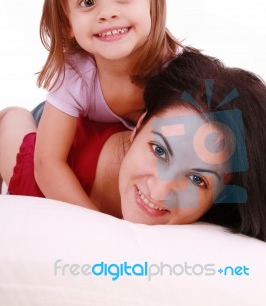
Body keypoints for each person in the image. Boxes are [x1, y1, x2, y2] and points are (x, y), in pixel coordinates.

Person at [1, 50, 266, 241]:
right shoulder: (41, 173)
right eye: (159, 150)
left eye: (197, 179)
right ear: (138, 127)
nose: (160, 190)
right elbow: (10, 117)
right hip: (50, 123)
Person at [34, 0, 182, 209]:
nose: (107, 12)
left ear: (151, 1)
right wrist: (95, 224)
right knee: (15, 129)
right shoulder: (73, 74)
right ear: (68, 23)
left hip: (105, 144)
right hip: (60, 120)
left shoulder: (173, 68)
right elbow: (46, 163)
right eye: (88, 2)